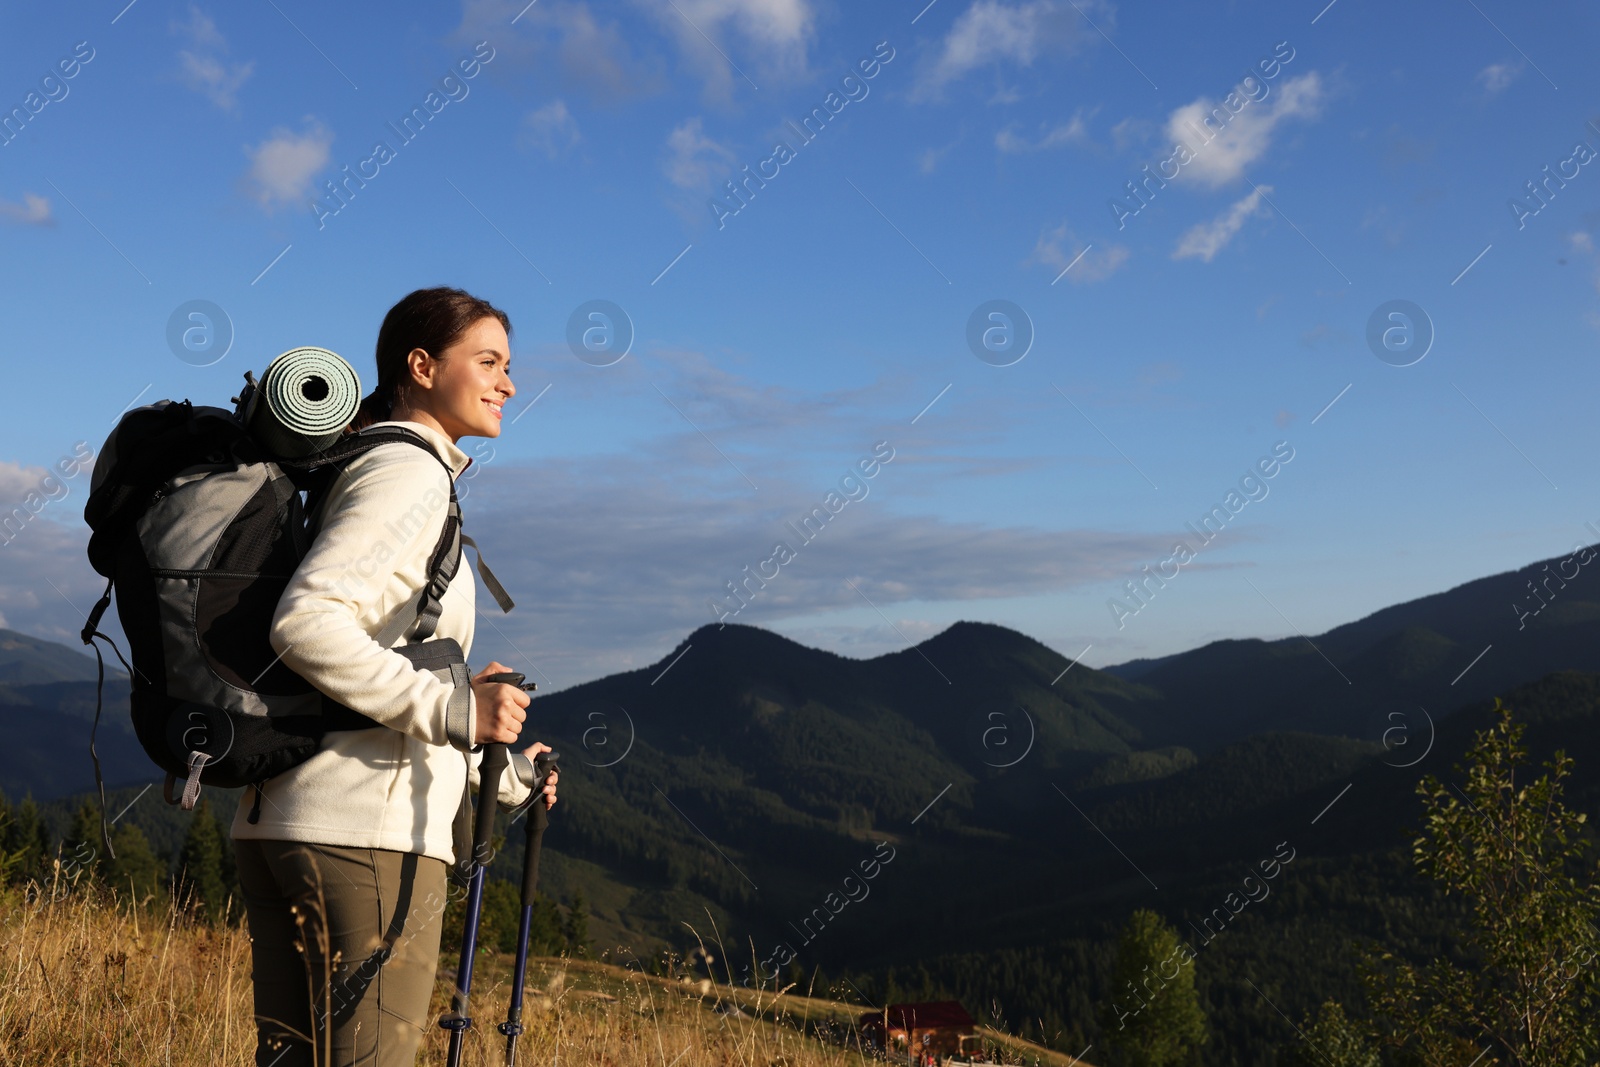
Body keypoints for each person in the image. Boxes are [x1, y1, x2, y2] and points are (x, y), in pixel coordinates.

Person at [231, 286, 558, 1067]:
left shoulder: (360, 465)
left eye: (508, 365)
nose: (508, 382)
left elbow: (377, 663)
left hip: (284, 819)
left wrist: (504, 767)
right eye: (488, 361)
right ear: (421, 364)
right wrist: (453, 710)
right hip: (364, 841)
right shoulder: (409, 476)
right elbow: (307, 624)